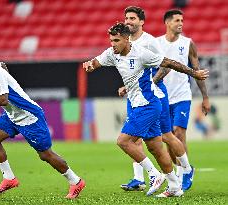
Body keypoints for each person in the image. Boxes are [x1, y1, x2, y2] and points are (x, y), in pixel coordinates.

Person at [83, 23, 208, 197]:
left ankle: (154, 174)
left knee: (124, 141)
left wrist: (194, 73)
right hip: (137, 104)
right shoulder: (113, 53)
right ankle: (174, 187)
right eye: (111, 40)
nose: (112, 44)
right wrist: (90, 64)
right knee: (156, 148)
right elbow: (97, 62)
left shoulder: (142, 54)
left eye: (116, 40)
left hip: (148, 104)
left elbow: (169, 63)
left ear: (126, 39)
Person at [0, 52, 85, 199]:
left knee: (45, 155)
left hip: (29, 116)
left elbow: (3, 100)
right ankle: (9, 179)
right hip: (12, 115)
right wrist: (10, 80)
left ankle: (75, 181)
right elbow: (1, 64)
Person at [118, 6, 194, 192]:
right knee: (134, 138)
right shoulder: (125, 41)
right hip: (135, 96)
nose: (128, 21)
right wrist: (129, 87)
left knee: (167, 136)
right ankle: (138, 178)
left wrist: (149, 84)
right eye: (126, 18)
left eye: (133, 18)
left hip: (154, 95)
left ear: (141, 21)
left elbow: (165, 66)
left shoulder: (150, 41)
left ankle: (186, 168)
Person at [155, 9, 211, 190]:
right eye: (177, 20)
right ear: (167, 23)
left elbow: (197, 71)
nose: (181, 23)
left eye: (182, 20)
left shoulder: (188, 43)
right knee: (168, 137)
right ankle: (183, 169)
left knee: (178, 132)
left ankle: (184, 174)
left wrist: (205, 97)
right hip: (162, 97)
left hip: (182, 96)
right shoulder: (156, 44)